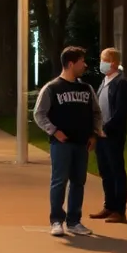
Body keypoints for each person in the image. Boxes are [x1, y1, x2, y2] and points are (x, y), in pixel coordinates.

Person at [33, 46, 102, 237]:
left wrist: (94, 133)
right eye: (82, 61)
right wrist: (54, 131)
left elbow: (96, 113)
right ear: (71, 63)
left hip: (82, 143)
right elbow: (39, 114)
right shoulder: (52, 88)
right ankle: (56, 220)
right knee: (59, 181)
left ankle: (74, 221)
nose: (85, 65)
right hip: (61, 144)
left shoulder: (86, 88)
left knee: (78, 182)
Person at [91, 48, 127, 223]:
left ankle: (119, 210)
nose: (102, 63)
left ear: (113, 62)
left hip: (112, 135)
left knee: (116, 171)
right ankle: (109, 205)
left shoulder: (121, 82)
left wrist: (107, 128)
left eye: (104, 60)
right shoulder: (105, 80)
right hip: (100, 134)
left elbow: (121, 111)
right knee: (105, 171)